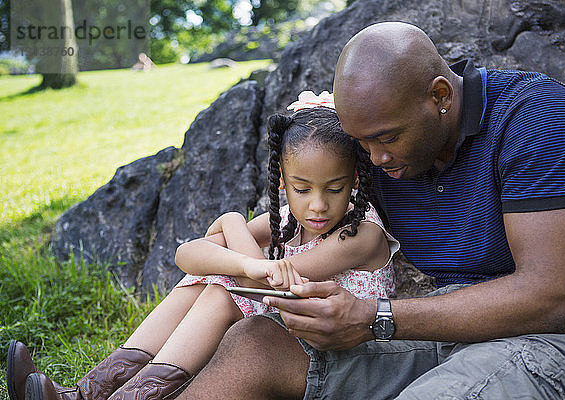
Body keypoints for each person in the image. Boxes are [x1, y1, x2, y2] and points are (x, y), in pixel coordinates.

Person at [173, 21, 565, 399]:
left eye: (387, 138)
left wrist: (373, 317)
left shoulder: (541, 121)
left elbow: (550, 299)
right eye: (362, 142)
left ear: (440, 95)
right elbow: (273, 223)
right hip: (450, 318)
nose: (374, 160)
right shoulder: (385, 150)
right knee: (257, 345)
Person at [9, 93, 401, 400]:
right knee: (210, 279)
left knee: (223, 291)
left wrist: (234, 228)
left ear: (354, 181)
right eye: (302, 189)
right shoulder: (288, 220)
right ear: (283, 181)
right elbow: (188, 256)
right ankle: (86, 393)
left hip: (336, 356)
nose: (318, 205)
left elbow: (271, 287)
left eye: (334, 189)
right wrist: (243, 250)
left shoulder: (360, 234)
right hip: (283, 336)